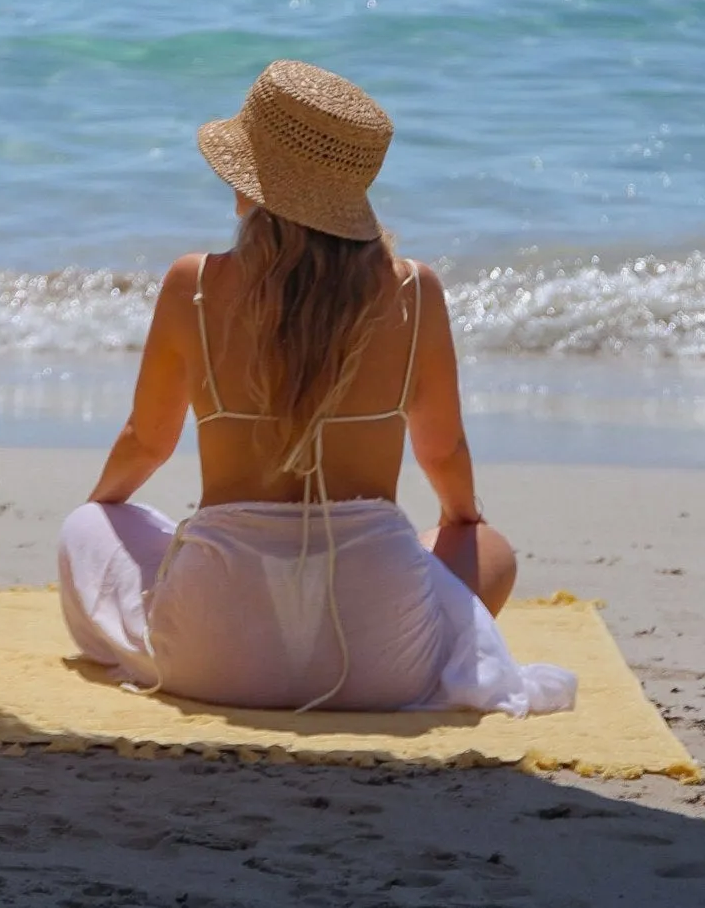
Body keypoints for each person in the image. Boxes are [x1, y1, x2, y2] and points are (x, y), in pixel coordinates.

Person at [58, 60, 574, 717]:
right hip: (379, 665)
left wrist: (106, 510)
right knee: (487, 548)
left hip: (212, 657)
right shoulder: (414, 289)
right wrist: (459, 522)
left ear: (249, 182)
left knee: (86, 527)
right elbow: (441, 451)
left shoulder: (193, 283)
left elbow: (146, 440)